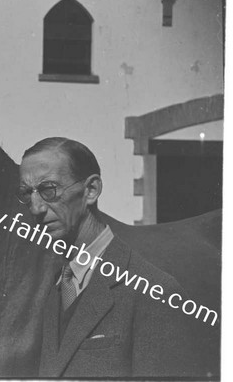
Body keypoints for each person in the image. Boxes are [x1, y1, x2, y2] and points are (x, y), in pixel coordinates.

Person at [18, 137, 197, 378]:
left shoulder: (156, 292)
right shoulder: (57, 290)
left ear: (91, 190)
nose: (36, 208)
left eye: (49, 190)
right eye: (27, 194)